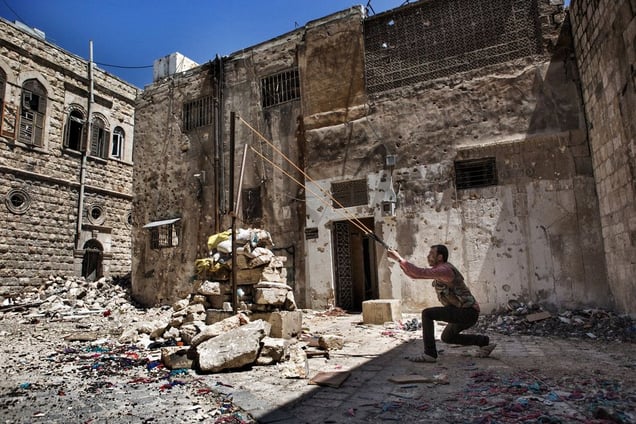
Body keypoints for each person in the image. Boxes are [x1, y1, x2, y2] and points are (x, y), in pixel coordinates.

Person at [387, 244, 496, 362]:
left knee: (427, 314)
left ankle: (429, 354)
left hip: (467, 312)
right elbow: (414, 275)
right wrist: (399, 261)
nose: (428, 256)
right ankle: (484, 342)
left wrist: (398, 258)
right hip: (465, 312)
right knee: (447, 337)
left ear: (440, 257)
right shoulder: (439, 270)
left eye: (431, 254)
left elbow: (418, 272)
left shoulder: (445, 270)